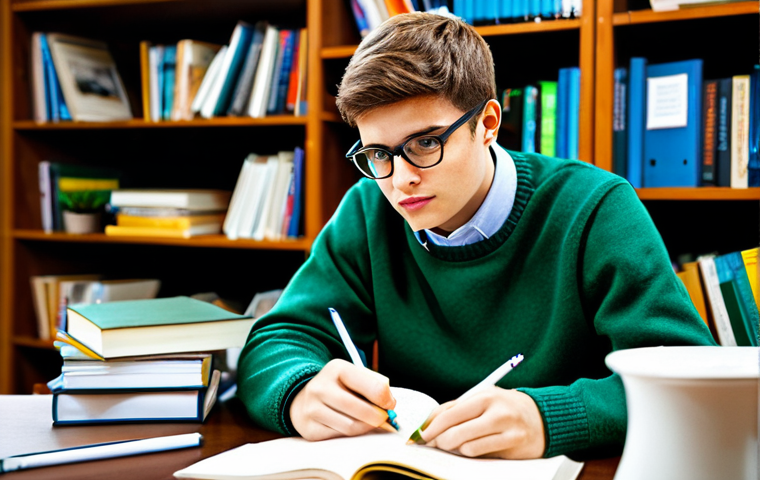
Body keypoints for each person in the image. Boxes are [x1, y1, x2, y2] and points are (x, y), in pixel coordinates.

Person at [237, 12, 716, 460]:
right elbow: (276, 340)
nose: (400, 179)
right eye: (378, 153)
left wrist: (548, 419)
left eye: (425, 142)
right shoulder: (367, 210)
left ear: (487, 124)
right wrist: (299, 391)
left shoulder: (595, 207)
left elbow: (690, 379)